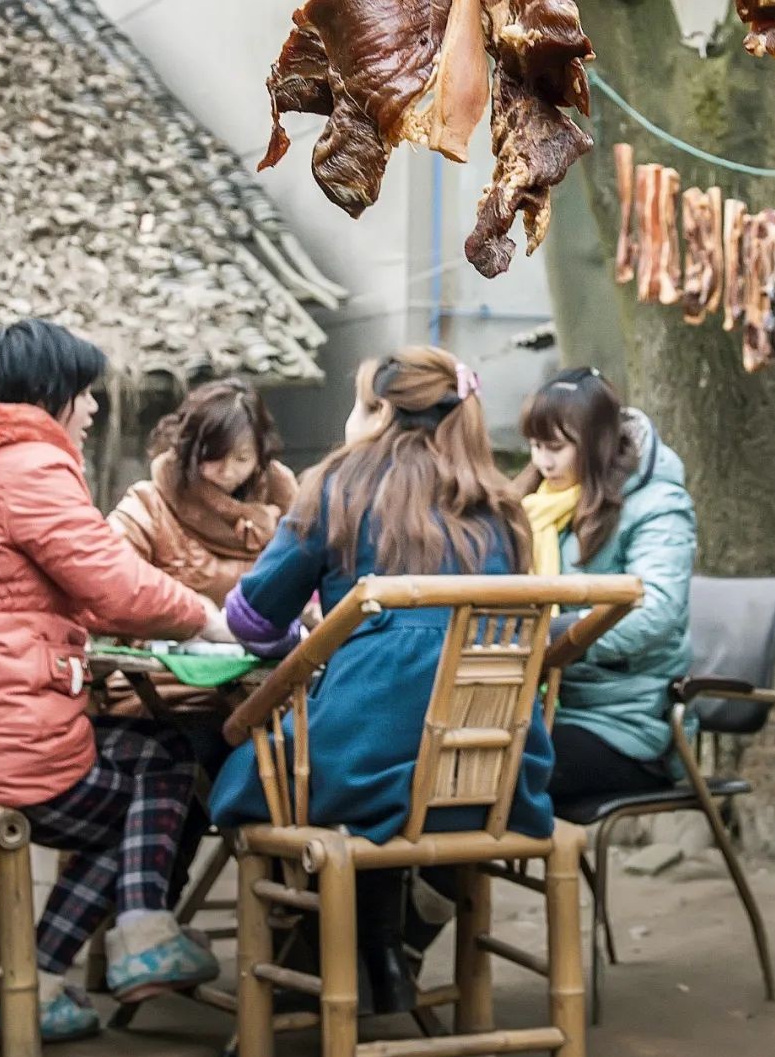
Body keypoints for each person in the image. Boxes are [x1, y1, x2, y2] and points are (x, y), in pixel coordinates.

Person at [0, 320, 226, 1042]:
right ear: (52, 395)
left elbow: (27, 587)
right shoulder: (29, 467)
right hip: (1, 742)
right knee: (161, 777)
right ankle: (130, 940)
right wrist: (205, 616)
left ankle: (49, 981)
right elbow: (112, 583)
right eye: (84, 392)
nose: (94, 408)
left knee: (145, 763)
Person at [209, 347, 553, 1012]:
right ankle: (385, 954)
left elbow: (251, 620)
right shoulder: (502, 503)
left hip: (357, 771)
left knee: (263, 776)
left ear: (387, 412)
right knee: (399, 783)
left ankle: (311, 968)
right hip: (495, 777)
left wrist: (317, 633)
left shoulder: (340, 484)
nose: (350, 418)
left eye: (363, 403)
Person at [520, 367, 697, 802]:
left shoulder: (658, 506)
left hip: (628, 724)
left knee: (501, 770)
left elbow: (655, 610)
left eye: (556, 448)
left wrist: (568, 632)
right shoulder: (540, 506)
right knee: (446, 755)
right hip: (554, 706)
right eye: (536, 446)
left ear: (597, 443)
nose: (543, 462)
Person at [107, 379, 297, 756]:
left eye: (242, 459)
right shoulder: (149, 504)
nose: (228, 471)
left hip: (267, 692)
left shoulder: (287, 499)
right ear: (190, 450)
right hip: (168, 690)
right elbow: (109, 579)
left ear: (261, 455)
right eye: (215, 456)